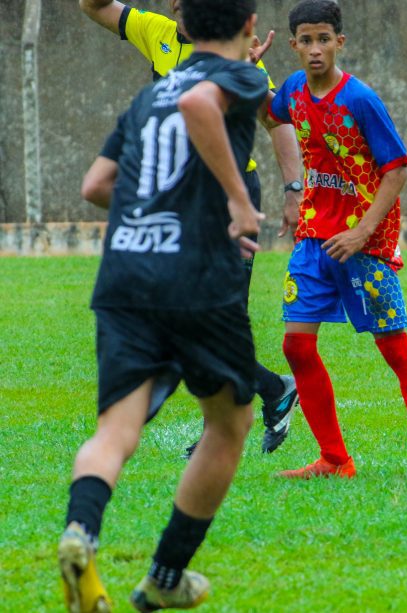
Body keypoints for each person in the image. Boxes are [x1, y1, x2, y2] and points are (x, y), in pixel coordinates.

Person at [58, 1, 269, 610]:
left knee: (114, 432)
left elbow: (97, 185)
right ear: (250, 25)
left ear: (182, 23)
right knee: (229, 424)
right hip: (197, 276)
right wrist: (236, 200)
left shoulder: (146, 97)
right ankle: (165, 578)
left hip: (125, 273)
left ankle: (80, 532)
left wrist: (153, 212)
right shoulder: (241, 76)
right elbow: (200, 106)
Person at [80, 0, 302, 454]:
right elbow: (94, 7)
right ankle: (273, 390)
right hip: (183, 198)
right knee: (194, 320)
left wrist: (294, 189)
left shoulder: (238, 56)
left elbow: (277, 119)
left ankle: (223, 426)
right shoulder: (153, 31)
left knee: (219, 317)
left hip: (234, 192)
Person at [257, 0, 407, 483]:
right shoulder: (295, 88)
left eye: (325, 39)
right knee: (296, 348)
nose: (315, 49)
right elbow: (270, 115)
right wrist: (248, 70)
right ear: (295, 44)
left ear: (339, 43)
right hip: (314, 239)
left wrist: (363, 231)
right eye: (306, 40)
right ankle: (335, 459)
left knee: (395, 351)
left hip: (365, 246)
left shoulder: (360, 99)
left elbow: (397, 169)